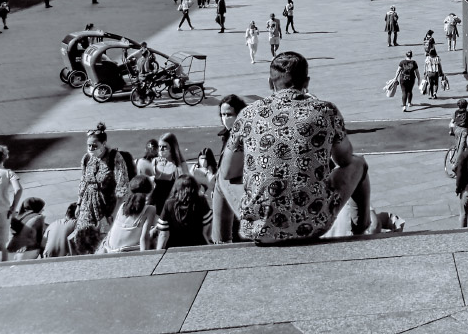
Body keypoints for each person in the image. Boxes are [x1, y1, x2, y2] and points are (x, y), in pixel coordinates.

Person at [219, 52, 369, 244]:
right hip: (313, 224)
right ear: (306, 82)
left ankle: (222, 242)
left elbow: (227, 172)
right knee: (358, 163)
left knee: (221, 177)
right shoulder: (326, 110)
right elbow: (345, 160)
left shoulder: (249, 114)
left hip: (261, 229)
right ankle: (361, 228)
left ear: (269, 83)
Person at [74, 123, 130, 235]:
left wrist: (115, 212)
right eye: (89, 145)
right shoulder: (86, 159)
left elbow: (122, 185)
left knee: (104, 236)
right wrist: (79, 204)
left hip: (106, 206)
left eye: (94, 146)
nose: (91, 148)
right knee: (84, 235)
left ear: (103, 144)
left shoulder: (115, 157)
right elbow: (83, 181)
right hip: (87, 205)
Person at [213, 94, 246, 244]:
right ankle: (220, 240)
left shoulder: (244, 134)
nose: (225, 119)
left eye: (228, 114)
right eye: (222, 115)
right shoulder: (226, 134)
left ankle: (221, 241)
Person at [155, 175, 213, 249]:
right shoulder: (201, 201)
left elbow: (163, 234)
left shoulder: (169, 204)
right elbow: (207, 228)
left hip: (174, 248)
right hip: (199, 246)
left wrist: (159, 253)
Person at [101, 177, 156, 253]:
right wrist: (144, 259)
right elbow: (144, 238)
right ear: (149, 192)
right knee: (157, 232)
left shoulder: (122, 206)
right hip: (126, 252)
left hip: (110, 249)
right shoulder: (150, 209)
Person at [151, 133, 191, 214]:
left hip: (172, 205)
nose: (161, 149)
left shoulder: (180, 166)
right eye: (159, 146)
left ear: (172, 148)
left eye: (165, 147)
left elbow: (185, 188)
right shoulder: (155, 162)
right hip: (157, 203)